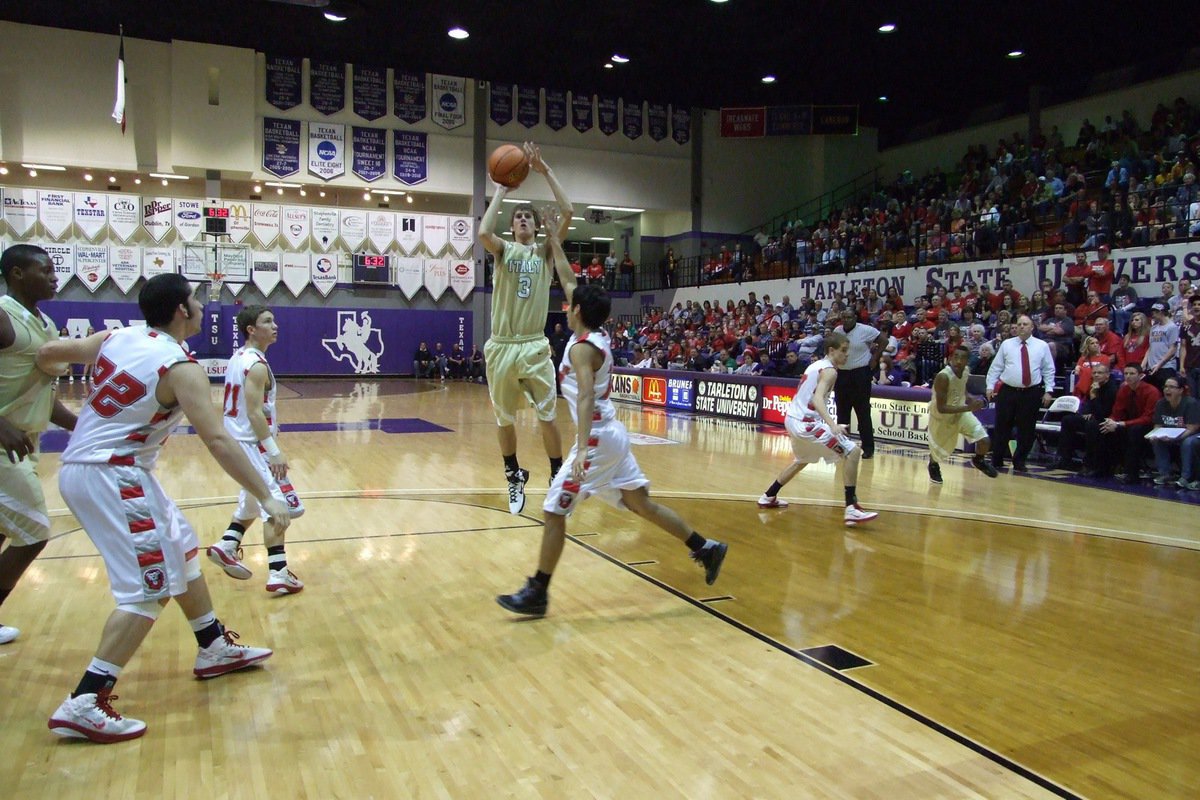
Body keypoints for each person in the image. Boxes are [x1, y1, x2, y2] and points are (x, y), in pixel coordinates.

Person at [36, 273, 289, 743]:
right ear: (181, 310)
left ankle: (212, 644)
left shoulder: (116, 336)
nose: (200, 307)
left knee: (182, 548)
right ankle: (86, 699)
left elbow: (48, 355)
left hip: (96, 467)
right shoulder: (180, 367)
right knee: (148, 590)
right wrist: (268, 493)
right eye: (195, 299)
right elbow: (217, 439)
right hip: (114, 474)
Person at [495, 282, 728, 616]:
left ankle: (538, 591)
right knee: (639, 502)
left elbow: (586, 396)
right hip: (612, 434)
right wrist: (556, 236)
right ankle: (705, 548)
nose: (566, 304)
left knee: (553, 510)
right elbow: (568, 277)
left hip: (596, 440)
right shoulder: (596, 336)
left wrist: (579, 450)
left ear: (576, 310)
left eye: (569, 302)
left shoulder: (580, 349)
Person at [478, 142, 574, 514]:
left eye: (527, 218)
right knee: (503, 418)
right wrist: (502, 188)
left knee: (547, 415)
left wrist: (544, 169)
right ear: (512, 225)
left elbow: (567, 211)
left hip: (534, 345)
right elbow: (484, 233)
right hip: (502, 345)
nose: (522, 221)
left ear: (535, 226)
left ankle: (555, 475)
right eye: (517, 218)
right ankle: (513, 473)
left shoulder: (546, 251)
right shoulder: (502, 250)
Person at [0, 245, 78, 645]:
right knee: (33, 533)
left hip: (24, 444)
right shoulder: (3, 314)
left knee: (2, 529)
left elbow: (45, 395)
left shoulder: (45, 323)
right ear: (16, 274)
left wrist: (80, 427)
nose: (53, 276)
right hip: (2, 445)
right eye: (44, 269)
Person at [206, 305, 304, 594]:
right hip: (252, 443)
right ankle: (278, 573)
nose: (275, 326)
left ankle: (228, 544)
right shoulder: (257, 365)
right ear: (251, 329)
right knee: (277, 506)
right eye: (267, 321)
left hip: (240, 440)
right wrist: (273, 450)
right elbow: (253, 413)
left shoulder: (239, 357)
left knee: (252, 498)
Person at [756, 332, 878, 526]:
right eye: (844, 351)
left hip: (792, 419)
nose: (847, 355)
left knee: (802, 460)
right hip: (807, 424)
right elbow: (817, 398)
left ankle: (768, 496)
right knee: (853, 451)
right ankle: (851, 509)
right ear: (831, 350)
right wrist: (833, 425)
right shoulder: (830, 371)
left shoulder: (814, 365)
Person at [986, 315, 1055, 472]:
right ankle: (997, 459)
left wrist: (1049, 390)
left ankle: (1020, 461)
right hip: (1008, 391)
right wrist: (990, 386)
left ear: (1032, 327)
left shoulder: (1042, 346)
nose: (1021, 327)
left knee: (1027, 429)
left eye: (1025, 324)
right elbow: (996, 367)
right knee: (1002, 426)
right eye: (1019, 324)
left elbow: (1048, 369)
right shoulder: (1007, 344)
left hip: (1031, 392)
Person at [927, 346, 998, 483]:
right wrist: (968, 407)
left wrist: (970, 398)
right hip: (942, 417)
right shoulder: (943, 376)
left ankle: (978, 460)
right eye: (956, 357)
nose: (959, 361)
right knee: (939, 452)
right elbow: (941, 408)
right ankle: (933, 465)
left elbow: (961, 387)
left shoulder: (966, 371)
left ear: (968, 361)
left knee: (984, 440)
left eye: (963, 358)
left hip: (961, 413)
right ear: (951, 358)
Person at [1081, 364, 1160, 483]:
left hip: (1147, 425)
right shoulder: (1124, 389)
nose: (1128, 376)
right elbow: (1117, 411)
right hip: (1127, 423)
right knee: (1099, 426)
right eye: (1126, 374)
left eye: (1132, 374)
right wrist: (1111, 421)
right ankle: (1100, 467)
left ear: (1141, 376)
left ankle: (1131, 474)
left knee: (1135, 431)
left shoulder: (1151, 391)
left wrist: (1121, 424)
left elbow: (1148, 418)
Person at [833, 310, 887, 459]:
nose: (846, 319)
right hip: (842, 374)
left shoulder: (865, 330)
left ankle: (868, 447)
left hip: (860, 374)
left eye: (849, 317)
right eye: (843, 317)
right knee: (842, 413)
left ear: (855, 318)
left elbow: (884, 340)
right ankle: (843, 446)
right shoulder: (837, 331)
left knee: (863, 412)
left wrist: (875, 357)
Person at [1055, 363, 1119, 470]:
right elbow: (1088, 405)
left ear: (1107, 375)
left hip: (1107, 420)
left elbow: (1103, 413)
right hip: (1094, 417)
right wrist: (1086, 412)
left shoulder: (1112, 389)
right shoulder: (1094, 386)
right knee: (1068, 420)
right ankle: (1065, 459)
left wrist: (1094, 397)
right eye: (1094, 373)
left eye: (1100, 373)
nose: (1096, 375)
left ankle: (1090, 464)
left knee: (1092, 425)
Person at [1146, 375, 1200, 487]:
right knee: (1156, 440)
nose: (1167, 389)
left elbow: (1192, 428)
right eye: (1165, 386)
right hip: (1170, 434)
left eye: (1171, 387)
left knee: (1188, 443)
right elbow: (1158, 425)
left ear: (1180, 390)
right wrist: (1154, 435)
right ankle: (1165, 474)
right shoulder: (1161, 403)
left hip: (1190, 434)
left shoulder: (1190, 403)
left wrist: (1176, 438)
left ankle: (1186, 477)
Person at [1144, 303, 1180, 392]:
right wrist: (1144, 363)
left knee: (1165, 393)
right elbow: (1150, 347)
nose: (1153, 314)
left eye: (1156, 312)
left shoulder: (1172, 327)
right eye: (1153, 311)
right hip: (1152, 367)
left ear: (1163, 312)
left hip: (1166, 367)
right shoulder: (1154, 328)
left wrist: (1159, 364)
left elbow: (1173, 349)